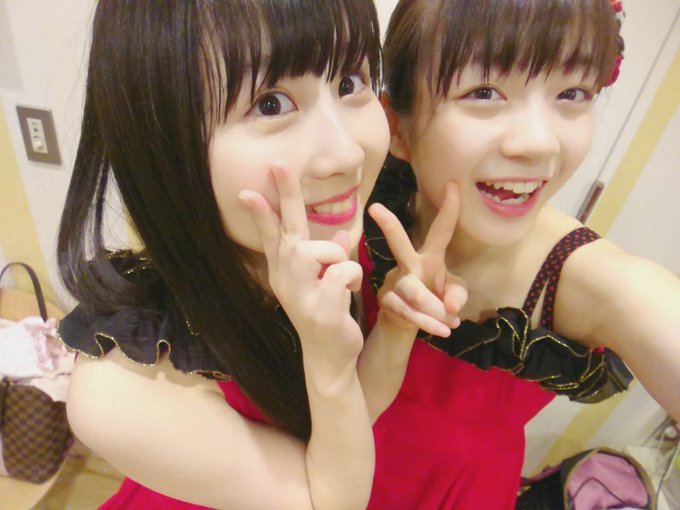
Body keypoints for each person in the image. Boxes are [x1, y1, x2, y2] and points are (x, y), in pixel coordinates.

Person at [54, 0, 425, 508]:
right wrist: (330, 364)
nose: (346, 154)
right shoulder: (117, 389)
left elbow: (351, 417)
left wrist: (396, 329)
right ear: (159, 142)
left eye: (348, 83)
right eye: (271, 104)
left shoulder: (343, 237)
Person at [357, 0, 680, 508]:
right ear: (397, 126)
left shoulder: (589, 281)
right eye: (484, 92)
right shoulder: (371, 191)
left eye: (571, 93)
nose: (539, 144)